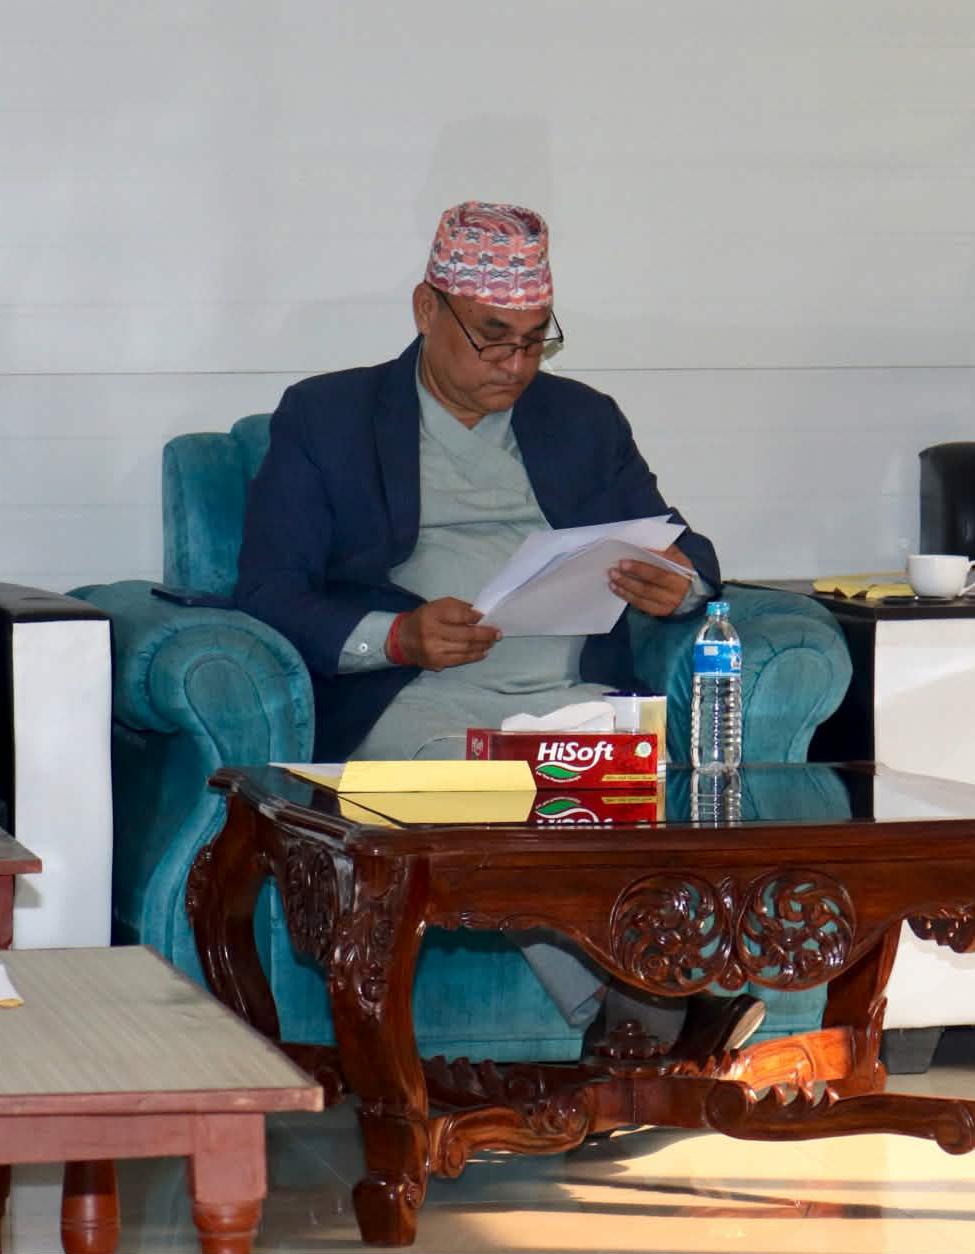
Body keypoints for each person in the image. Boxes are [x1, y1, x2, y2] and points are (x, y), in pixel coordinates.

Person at [237, 201, 759, 1060]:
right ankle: (648, 1000)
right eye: (491, 339)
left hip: (574, 699)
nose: (515, 365)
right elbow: (266, 589)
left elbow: (682, 544)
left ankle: (640, 1012)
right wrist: (395, 636)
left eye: (534, 341)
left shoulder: (581, 419)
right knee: (507, 796)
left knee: (640, 793)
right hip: (418, 701)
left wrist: (680, 586)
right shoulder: (328, 416)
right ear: (426, 309)